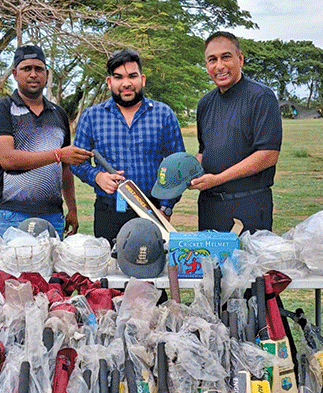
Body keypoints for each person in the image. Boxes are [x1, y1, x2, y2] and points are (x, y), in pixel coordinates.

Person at [71, 48, 186, 244]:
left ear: (142, 79)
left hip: (152, 209)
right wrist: (97, 176)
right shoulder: (92, 116)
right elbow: (76, 162)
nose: (126, 83)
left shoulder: (163, 114)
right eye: (118, 77)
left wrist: (166, 208)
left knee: (152, 269)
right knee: (109, 268)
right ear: (109, 82)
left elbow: (178, 166)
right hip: (109, 211)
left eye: (132, 76)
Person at [0, 44, 93, 241]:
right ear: (15, 73)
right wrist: (58, 155)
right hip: (12, 214)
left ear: (47, 74)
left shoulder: (58, 114)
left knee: (53, 271)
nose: (33, 74)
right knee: (12, 272)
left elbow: (65, 168)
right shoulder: (2, 110)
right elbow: (8, 160)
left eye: (38, 69)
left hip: (53, 214)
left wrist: (72, 208)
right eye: (27, 69)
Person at [190, 31, 283, 233]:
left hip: (249, 204)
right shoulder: (205, 104)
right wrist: (186, 172)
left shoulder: (261, 97)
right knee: (210, 263)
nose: (219, 66)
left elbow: (268, 155)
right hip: (210, 206)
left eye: (226, 57)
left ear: (240, 59)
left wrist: (218, 178)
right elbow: (204, 152)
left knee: (248, 263)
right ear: (206, 66)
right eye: (212, 60)